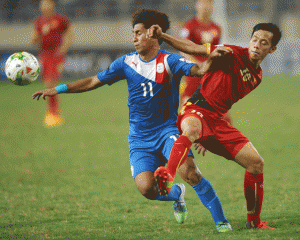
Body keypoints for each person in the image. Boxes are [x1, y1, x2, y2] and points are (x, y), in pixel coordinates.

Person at [32, 9, 232, 232]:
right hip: (140, 139)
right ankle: (177, 194)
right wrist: (58, 89)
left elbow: (198, 69)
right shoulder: (125, 63)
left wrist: (210, 61)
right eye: (133, 33)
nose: (134, 38)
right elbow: (92, 81)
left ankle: (221, 221)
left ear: (152, 34)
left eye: (138, 33)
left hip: (167, 132)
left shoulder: (170, 61)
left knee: (190, 172)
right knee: (147, 189)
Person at [148, 22, 281, 230]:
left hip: (216, 121)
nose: (256, 45)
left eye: (263, 43)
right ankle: (168, 174)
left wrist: (208, 135)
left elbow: (225, 99)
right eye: (254, 39)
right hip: (195, 109)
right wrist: (163, 36)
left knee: (256, 163)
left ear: (272, 49)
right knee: (191, 130)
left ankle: (254, 222)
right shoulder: (231, 53)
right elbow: (193, 47)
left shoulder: (257, 77)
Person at [31, 0, 74, 127]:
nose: (45, 6)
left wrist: (64, 48)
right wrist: (40, 34)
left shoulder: (61, 19)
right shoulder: (38, 21)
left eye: (47, 3)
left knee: (50, 83)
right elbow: (33, 40)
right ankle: (53, 114)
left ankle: (54, 114)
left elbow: (71, 34)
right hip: (44, 55)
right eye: (43, 4)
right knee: (48, 84)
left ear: (52, 5)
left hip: (56, 55)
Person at [179, 0, 221, 106]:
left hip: (210, 72)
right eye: (202, 3)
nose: (205, 6)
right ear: (197, 5)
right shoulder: (188, 26)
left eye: (208, 3)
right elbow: (182, 49)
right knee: (189, 103)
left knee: (218, 105)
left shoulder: (216, 28)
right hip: (194, 71)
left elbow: (214, 51)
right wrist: (197, 64)